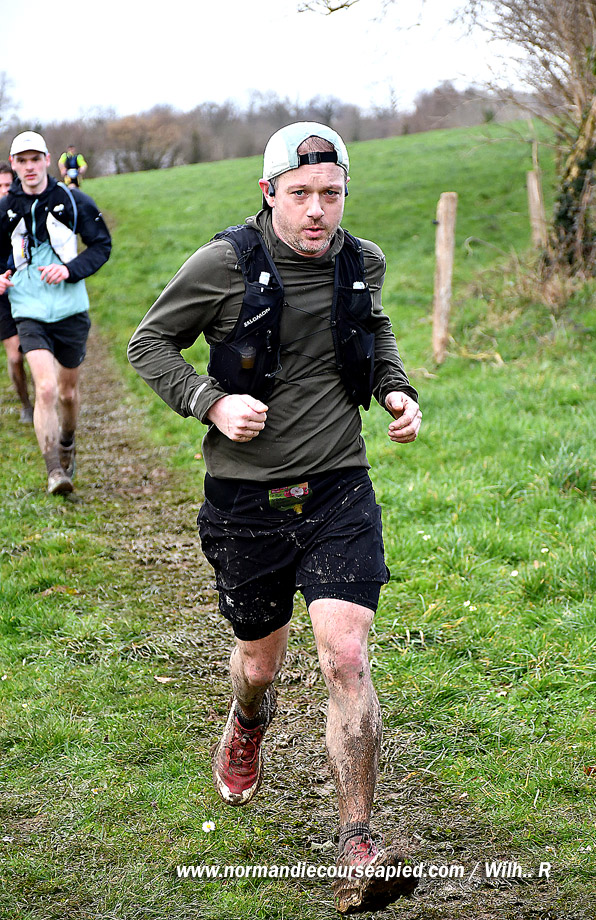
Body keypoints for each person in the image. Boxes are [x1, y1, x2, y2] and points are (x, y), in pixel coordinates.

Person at [128, 122, 422, 914]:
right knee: (259, 664)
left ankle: (357, 844)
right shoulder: (223, 265)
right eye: (300, 194)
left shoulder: (360, 261)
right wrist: (210, 401)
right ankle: (247, 719)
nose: (317, 210)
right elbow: (148, 344)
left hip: (338, 486)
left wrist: (395, 388)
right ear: (268, 193)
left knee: (345, 655)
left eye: (331, 193)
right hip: (245, 501)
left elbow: (372, 327)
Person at [0, 131, 112, 495]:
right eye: (22, 161)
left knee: (66, 393)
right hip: (28, 308)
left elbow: (101, 245)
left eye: (36, 159)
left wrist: (69, 270)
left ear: (48, 160)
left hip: (70, 310)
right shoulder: (4, 209)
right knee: (45, 389)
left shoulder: (73, 200)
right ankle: (54, 471)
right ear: (14, 165)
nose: (30, 167)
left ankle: (67, 440)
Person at [0, 161, 33, 422]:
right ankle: (26, 404)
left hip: (29, 289)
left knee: (38, 352)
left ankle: (48, 397)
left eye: (8, 185)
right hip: (1, 295)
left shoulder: (26, 212)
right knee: (14, 357)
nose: (4, 191)